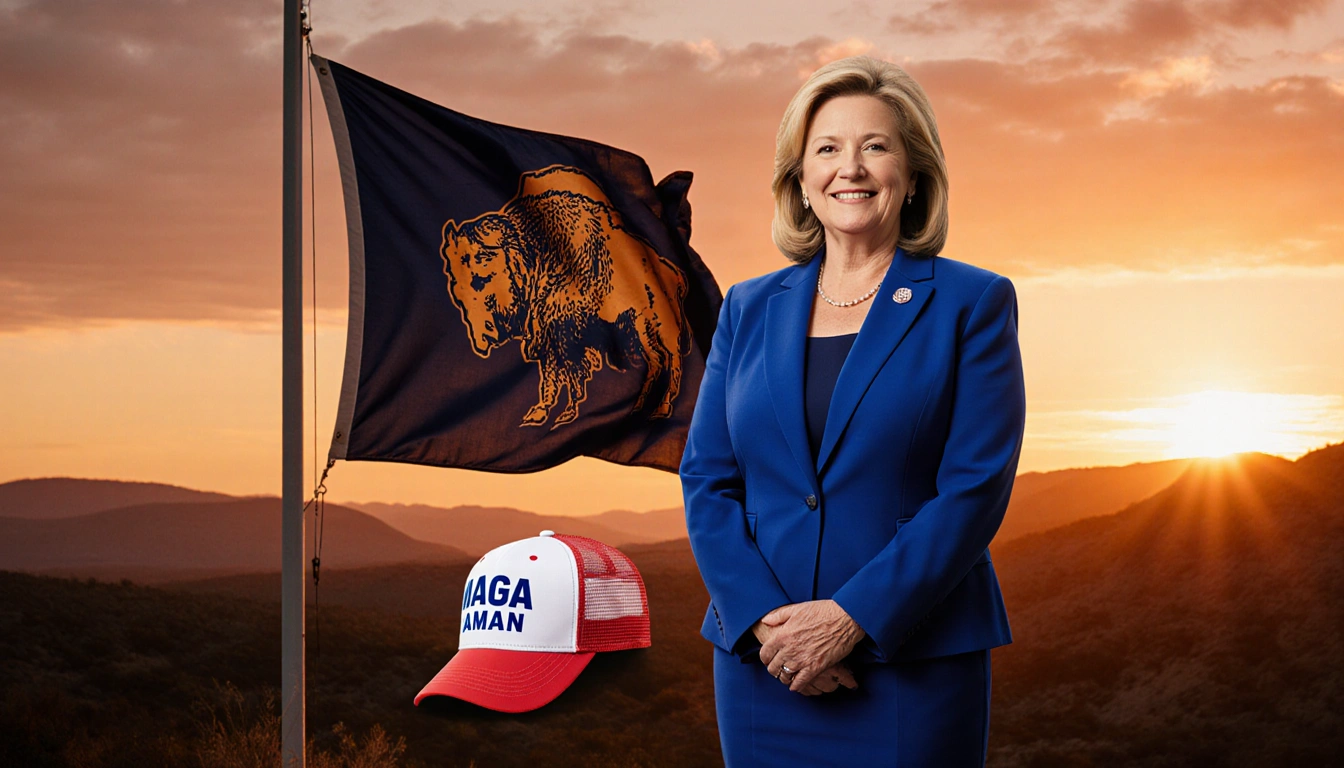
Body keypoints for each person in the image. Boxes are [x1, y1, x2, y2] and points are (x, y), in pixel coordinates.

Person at [681, 55, 1026, 766]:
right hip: (762, 665)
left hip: (913, 664)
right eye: (828, 149)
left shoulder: (973, 303)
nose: (852, 168)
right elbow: (707, 481)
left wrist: (850, 621)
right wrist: (768, 627)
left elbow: (974, 489)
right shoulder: (748, 308)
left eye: (876, 146)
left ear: (913, 173)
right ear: (800, 181)